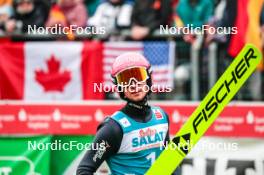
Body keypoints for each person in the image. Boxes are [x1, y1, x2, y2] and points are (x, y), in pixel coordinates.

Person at [77, 53, 180, 174]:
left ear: (148, 79)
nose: (133, 85)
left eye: (139, 76)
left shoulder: (161, 117)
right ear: (120, 88)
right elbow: (84, 170)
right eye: (125, 80)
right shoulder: (112, 128)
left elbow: (169, 162)